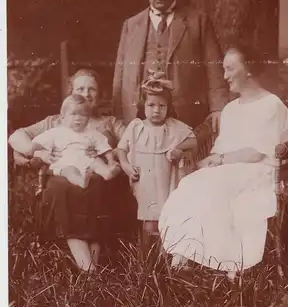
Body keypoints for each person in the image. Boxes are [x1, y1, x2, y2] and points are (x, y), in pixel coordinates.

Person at [158, 44, 288, 274]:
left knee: (207, 187)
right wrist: (211, 161)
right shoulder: (230, 109)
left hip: (258, 172)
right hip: (230, 169)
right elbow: (220, 149)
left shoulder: (271, 105)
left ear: (248, 69)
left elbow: (257, 152)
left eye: (230, 69)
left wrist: (218, 160)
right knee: (192, 184)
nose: (225, 76)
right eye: (224, 69)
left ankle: (216, 263)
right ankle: (185, 259)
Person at [9, 68, 136, 273]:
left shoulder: (109, 123)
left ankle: (89, 266)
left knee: (95, 184)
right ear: (70, 93)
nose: (86, 94)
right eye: (80, 88)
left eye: (92, 89)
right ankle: (87, 265)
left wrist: (116, 159)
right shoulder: (55, 121)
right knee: (61, 187)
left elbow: (133, 141)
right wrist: (36, 155)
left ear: (100, 94)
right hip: (63, 179)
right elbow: (18, 137)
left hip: (97, 180)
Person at [112, 0, 228, 131]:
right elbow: (120, 73)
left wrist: (219, 107)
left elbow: (214, 67)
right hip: (140, 113)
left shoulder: (198, 21)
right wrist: (118, 115)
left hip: (185, 112)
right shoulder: (131, 25)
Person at [117, 70, 197, 254]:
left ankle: (165, 260)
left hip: (166, 181)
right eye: (151, 105)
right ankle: (146, 261)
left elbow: (193, 140)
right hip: (144, 182)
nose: (156, 110)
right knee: (148, 222)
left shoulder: (173, 127)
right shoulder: (136, 127)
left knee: (166, 219)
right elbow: (121, 150)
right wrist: (127, 166)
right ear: (143, 105)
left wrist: (179, 149)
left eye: (162, 106)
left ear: (168, 107)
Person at [31, 94, 120, 189]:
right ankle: (81, 181)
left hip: (87, 160)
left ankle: (107, 173)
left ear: (88, 118)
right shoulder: (56, 132)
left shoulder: (92, 133)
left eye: (83, 115)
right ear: (62, 117)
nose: (78, 118)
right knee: (70, 171)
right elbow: (36, 144)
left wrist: (111, 160)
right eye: (73, 114)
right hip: (66, 162)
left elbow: (104, 147)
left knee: (97, 163)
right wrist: (40, 153)